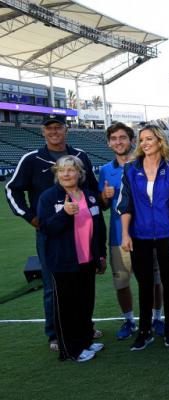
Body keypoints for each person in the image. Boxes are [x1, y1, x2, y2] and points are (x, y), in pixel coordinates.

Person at [5, 114, 98, 351]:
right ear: (43, 132)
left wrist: (100, 203)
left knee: (80, 282)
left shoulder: (80, 156)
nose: (54, 131)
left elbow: (91, 189)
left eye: (58, 127)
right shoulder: (32, 158)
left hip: (81, 231)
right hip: (51, 233)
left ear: (66, 130)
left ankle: (83, 327)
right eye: (49, 128)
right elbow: (12, 190)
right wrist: (30, 217)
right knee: (52, 284)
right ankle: (55, 332)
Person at [118, 125, 169, 351]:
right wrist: (126, 234)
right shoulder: (130, 169)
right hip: (139, 235)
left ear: (160, 140)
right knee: (144, 284)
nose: (144, 143)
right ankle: (144, 331)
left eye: (149, 138)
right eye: (141, 139)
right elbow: (125, 204)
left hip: (168, 234)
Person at [99, 122, 165, 339]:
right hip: (119, 236)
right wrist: (104, 197)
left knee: (155, 280)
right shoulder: (106, 171)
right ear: (109, 143)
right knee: (122, 281)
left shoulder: (144, 165)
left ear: (131, 140)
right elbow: (103, 206)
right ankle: (128, 320)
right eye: (114, 139)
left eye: (123, 137)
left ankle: (157, 318)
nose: (118, 142)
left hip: (148, 234)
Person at [37, 155, 106, 362]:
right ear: (57, 174)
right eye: (61, 170)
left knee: (85, 303)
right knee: (67, 307)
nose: (66, 174)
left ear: (79, 173)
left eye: (70, 169)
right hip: (63, 261)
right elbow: (45, 227)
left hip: (87, 259)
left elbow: (99, 228)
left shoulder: (90, 196)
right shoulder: (49, 197)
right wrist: (65, 214)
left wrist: (100, 254)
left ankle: (85, 340)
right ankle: (70, 349)